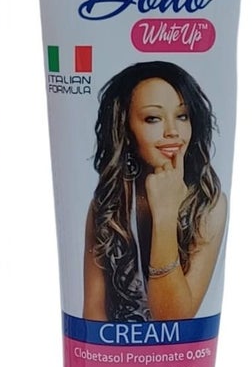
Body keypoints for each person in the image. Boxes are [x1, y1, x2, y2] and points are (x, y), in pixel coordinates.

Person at [83, 61, 226, 323]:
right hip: (112, 346)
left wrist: (165, 213)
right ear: (126, 129)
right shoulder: (108, 202)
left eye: (182, 116)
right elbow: (93, 312)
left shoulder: (208, 204)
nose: (172, 131)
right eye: (153, 118)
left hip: (176, 348)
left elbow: (172, 319)